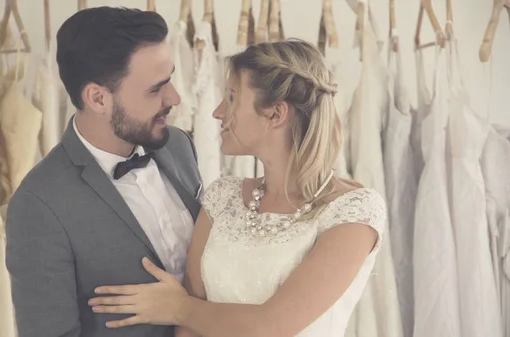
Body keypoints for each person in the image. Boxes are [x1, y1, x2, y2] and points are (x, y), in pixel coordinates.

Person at [88, 40, 387, 337]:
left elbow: (271, 326)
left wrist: (177, 307)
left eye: (231, 98)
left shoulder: (353, 212)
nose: (218, 112)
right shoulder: (223, 197)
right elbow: (189, 326)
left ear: (275, 114)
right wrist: (182, 310)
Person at [5, 7, 203, 337]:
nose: (176, 98)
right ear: (98, 98)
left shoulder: (179, 146)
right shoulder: (38, 205)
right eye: (156, 88)